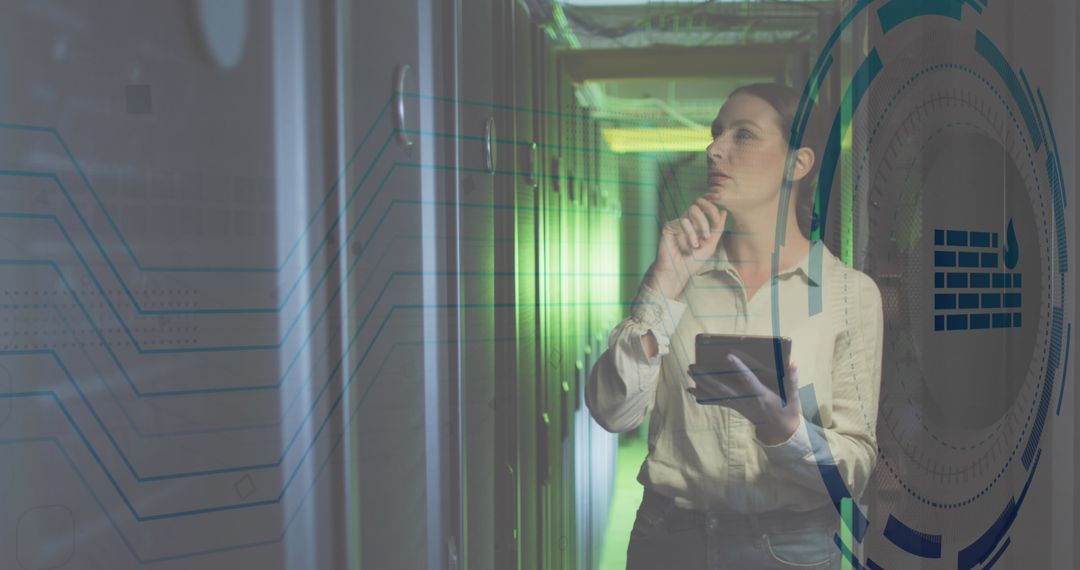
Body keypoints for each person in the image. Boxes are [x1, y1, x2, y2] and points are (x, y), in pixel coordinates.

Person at [585, 83, 884, 570]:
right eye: (716, 132)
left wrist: (788, 432)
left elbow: (857, 469)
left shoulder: (850, 295)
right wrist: (662, 286)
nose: (714, 149)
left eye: (743, 135)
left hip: (790, 550)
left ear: (798, 164)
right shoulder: (677, 279)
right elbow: (612, 412)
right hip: (669, 541)